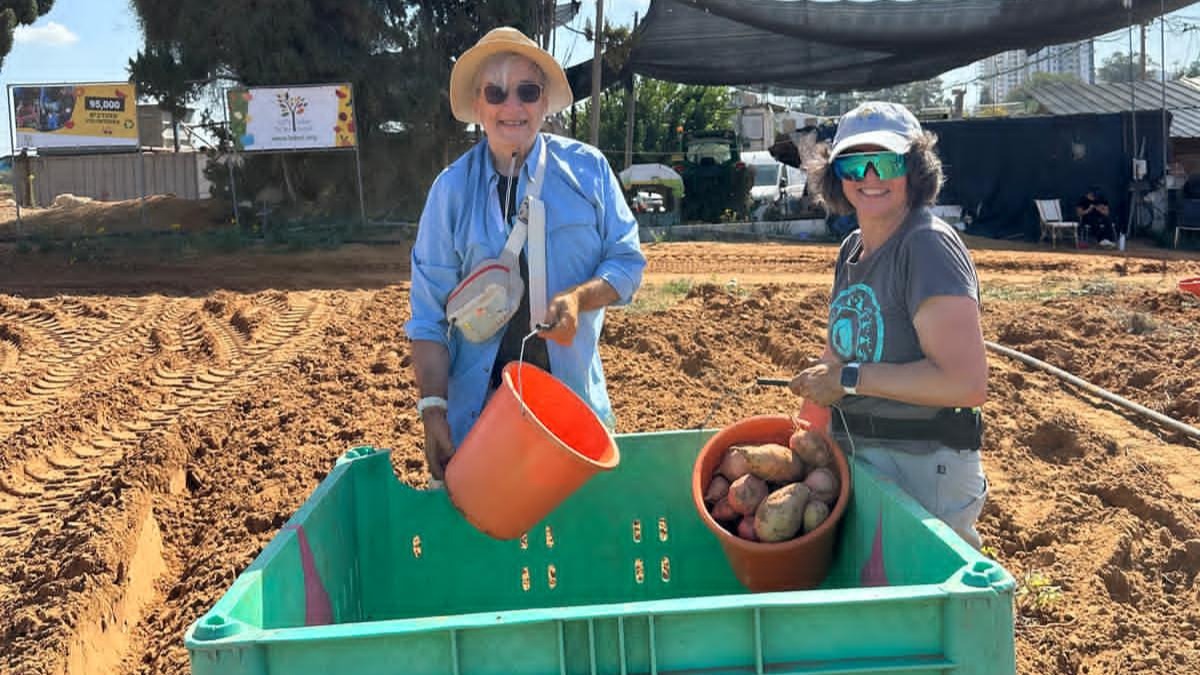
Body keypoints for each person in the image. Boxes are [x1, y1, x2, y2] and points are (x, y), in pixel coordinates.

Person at [404, 27, 646, 483]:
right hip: (477, 424)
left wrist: (578, 299)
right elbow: (427, 315)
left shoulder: (589, 171)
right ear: (478, 105)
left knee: (575, 535)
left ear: (544, 102)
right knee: (482, 542)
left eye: (527, 91)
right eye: (495, 93)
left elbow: (627, 261)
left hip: (572, 411)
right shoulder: (450, 192)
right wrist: (433, 410)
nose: (511, 107)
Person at [790, 101, 989, 549]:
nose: (870, 177)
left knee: (926, 609)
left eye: (887, 161)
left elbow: (965, 383)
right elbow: (837, 356)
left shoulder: (926, 246)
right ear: (837, 175)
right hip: (861, 459)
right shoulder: (853, 248)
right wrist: (800, 444)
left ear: (914, 169)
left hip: (924, 468)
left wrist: (850, 380)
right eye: (854, 164)